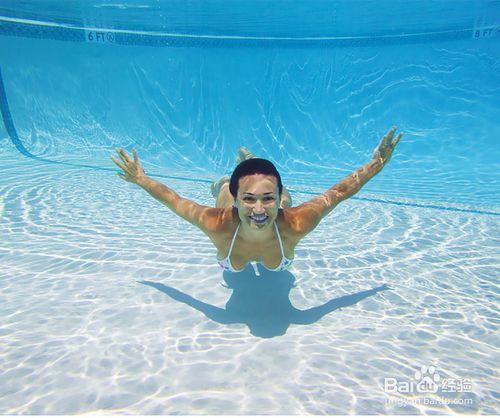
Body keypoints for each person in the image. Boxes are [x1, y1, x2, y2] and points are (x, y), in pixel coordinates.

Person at [111, 127, 402, 273]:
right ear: (239, 200)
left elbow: (337, 194)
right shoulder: (217, 224)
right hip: (229, 202)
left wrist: (374, 165)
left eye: (267, 199)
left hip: (281, 209)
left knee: (287, 199)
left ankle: (252, 163)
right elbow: (175, 200)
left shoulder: (297, 223)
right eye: (248, 199)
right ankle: (228, 181)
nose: (259, 210)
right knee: (221, 189)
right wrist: (141, 179)